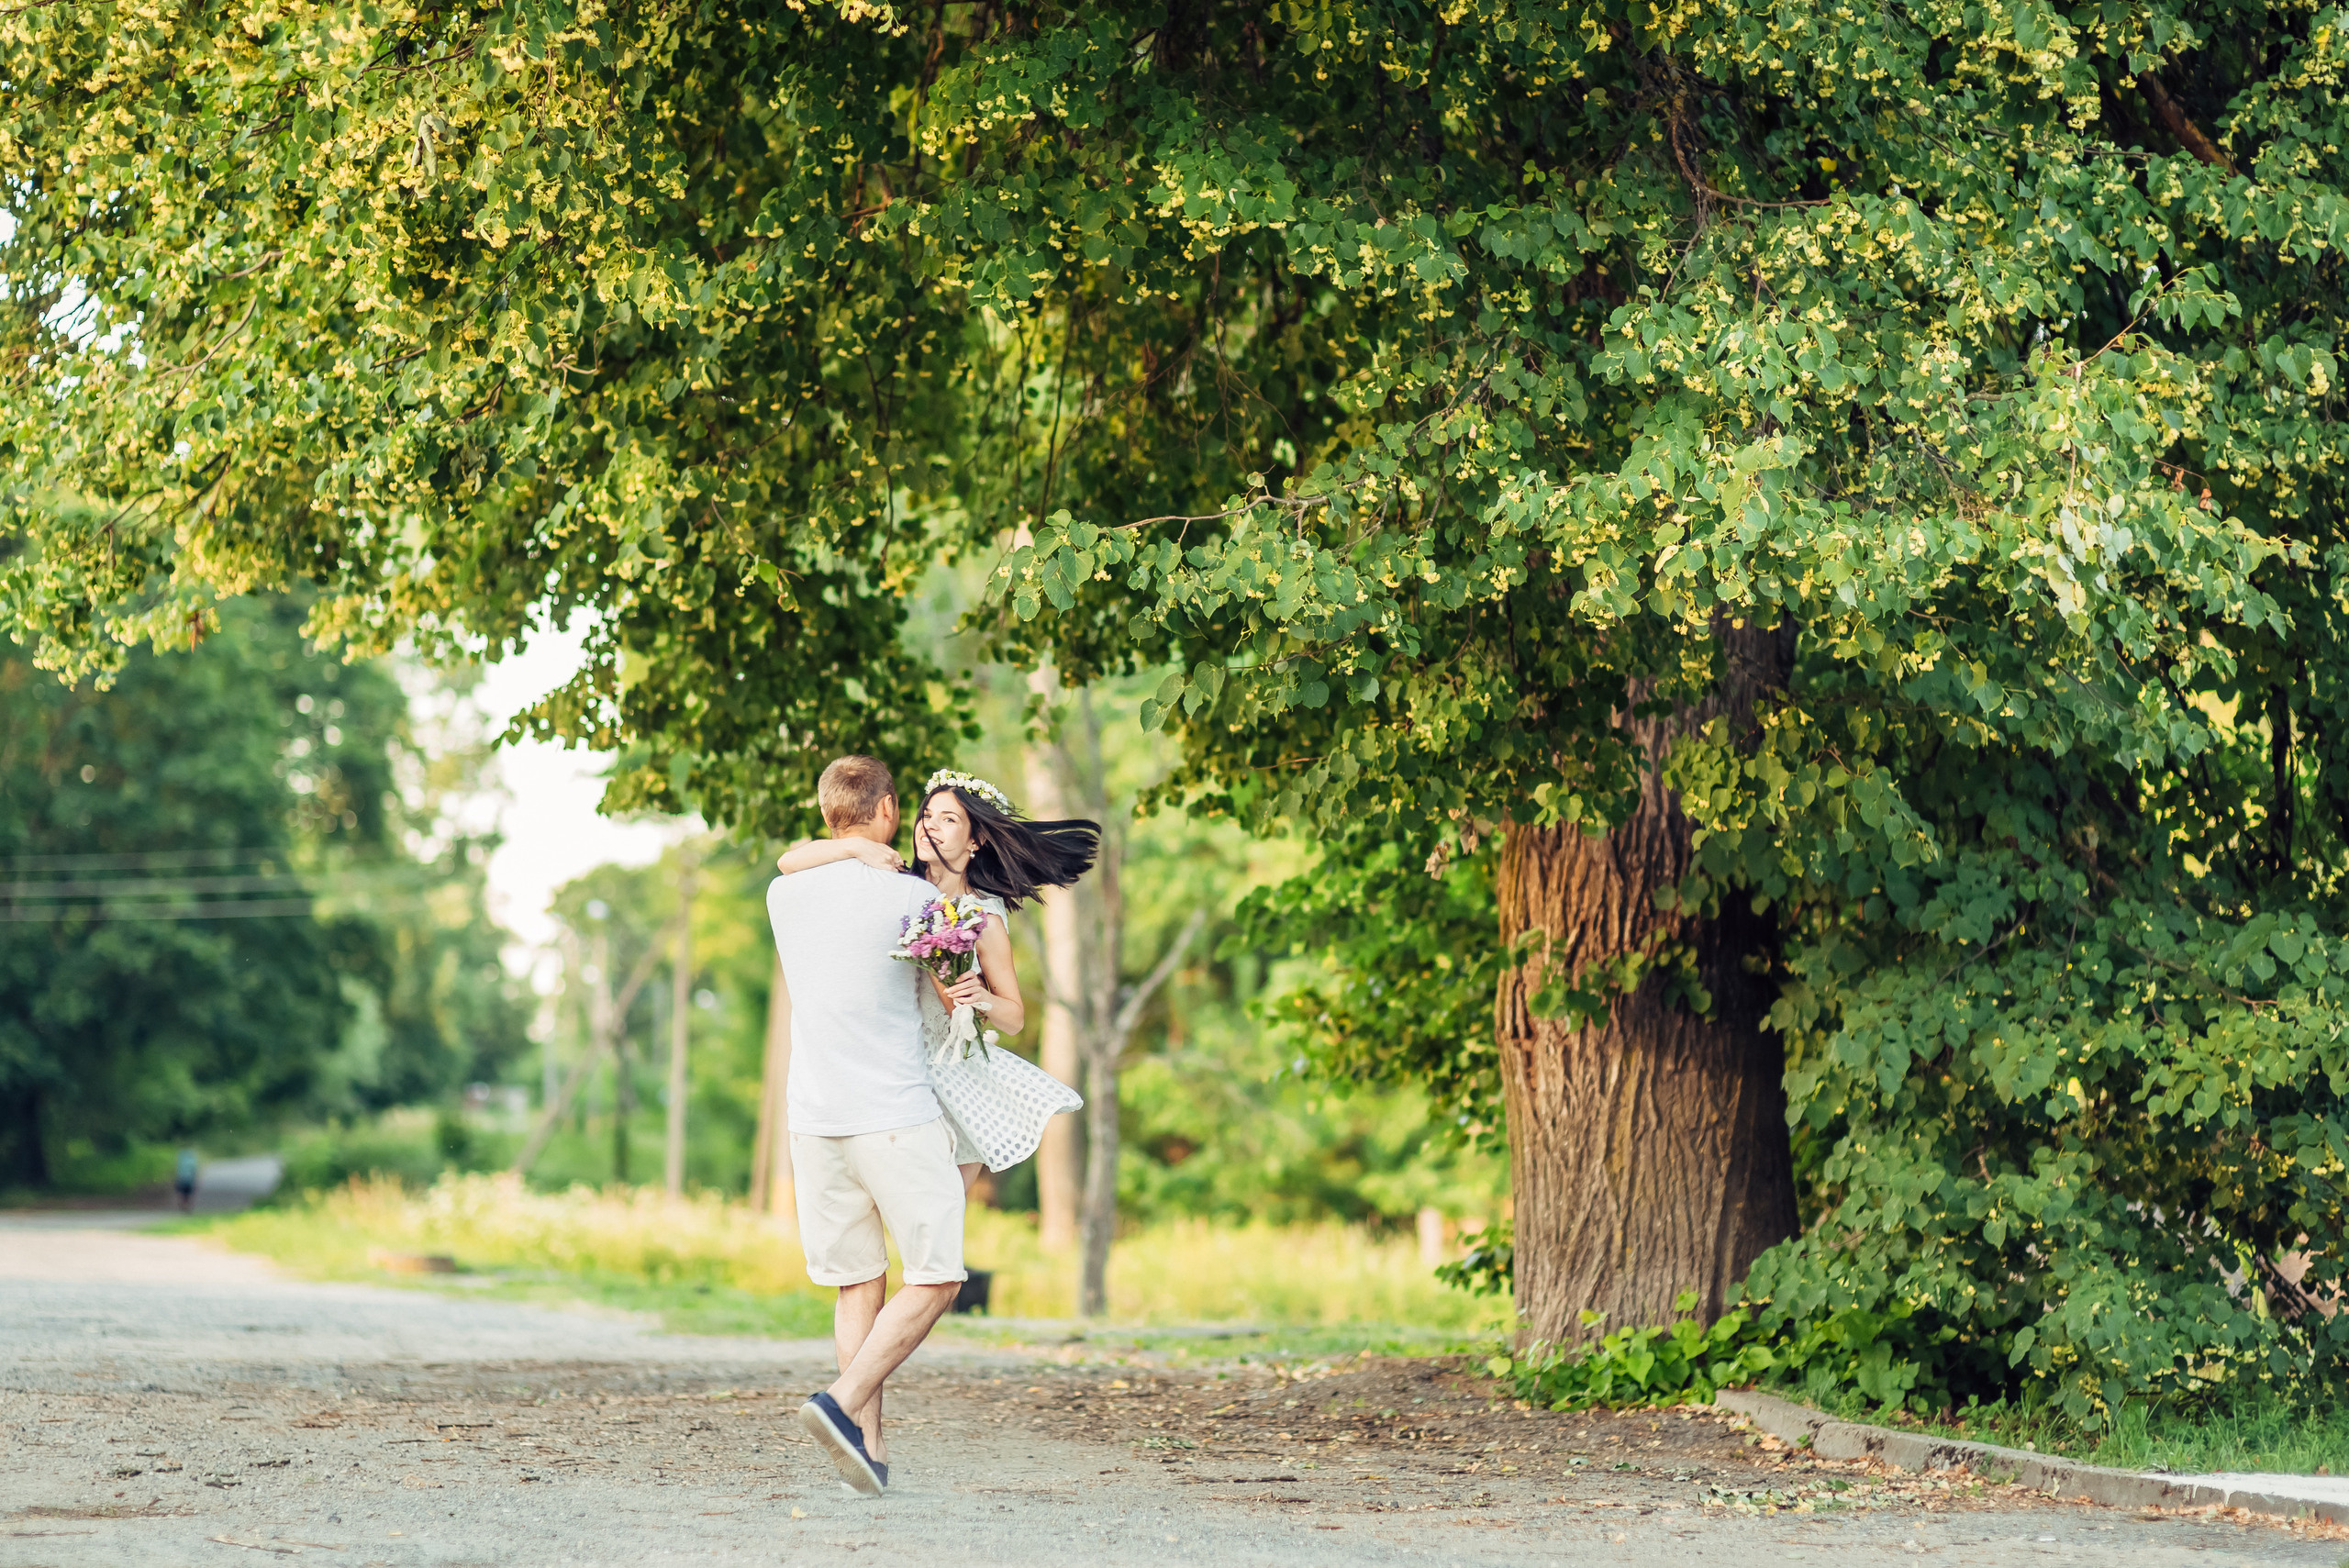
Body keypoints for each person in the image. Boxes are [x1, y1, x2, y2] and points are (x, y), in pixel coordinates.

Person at [767, 755, 967, 1497]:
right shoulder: (912, 897)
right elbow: (951, 998)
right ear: (886, 808)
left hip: (814, 1117)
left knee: (858, 1281)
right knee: (939, 1271)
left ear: (828, 814)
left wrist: (846, 847)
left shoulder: (784, 895)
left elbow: (793, 861)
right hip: (892, 1111)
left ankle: (866, 1447)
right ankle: (842, 1403)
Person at [774, 766, 1097, 1192]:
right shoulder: (894, 882)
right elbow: (788, 862)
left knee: (940, 1220)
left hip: (956, 1078)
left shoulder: (985, 918)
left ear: (976, 839)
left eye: (949, 819)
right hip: (892, 1069)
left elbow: (1014, 1017)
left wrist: (980, 996)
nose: (930, 827)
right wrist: (856, 849)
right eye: (927, 815)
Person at [173, 1148, 198, 1213]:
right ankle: (187, 1206)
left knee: (182, 1193)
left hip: (181, 1179)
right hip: (189, 1179)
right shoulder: (192, 1161)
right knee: (188, 1194)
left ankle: (183, 1205)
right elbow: (194, 1171)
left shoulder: (181, 1160)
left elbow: (177, 1170)